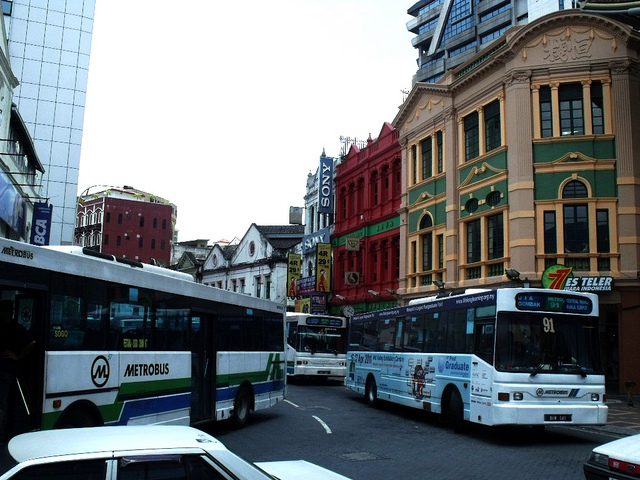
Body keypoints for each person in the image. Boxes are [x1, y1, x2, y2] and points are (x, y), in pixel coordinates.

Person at [0, 299, 35, 442]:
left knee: (1, 404)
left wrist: (18, 356)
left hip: (6, 371)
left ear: (8, 312)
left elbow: (32, 342)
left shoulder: (16, 328)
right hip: (5, 370)